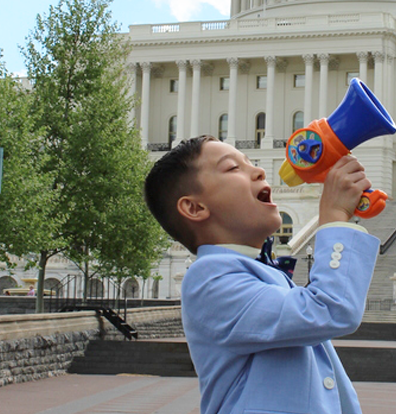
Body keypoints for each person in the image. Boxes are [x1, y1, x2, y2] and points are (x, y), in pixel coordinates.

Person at [144, 136, 379, 414]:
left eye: (251, 162)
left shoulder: (261, 270)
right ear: (194, 208)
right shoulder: (209, 278)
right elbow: (330, 308)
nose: (259, 171)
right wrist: (334, 216)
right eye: (233, 168)